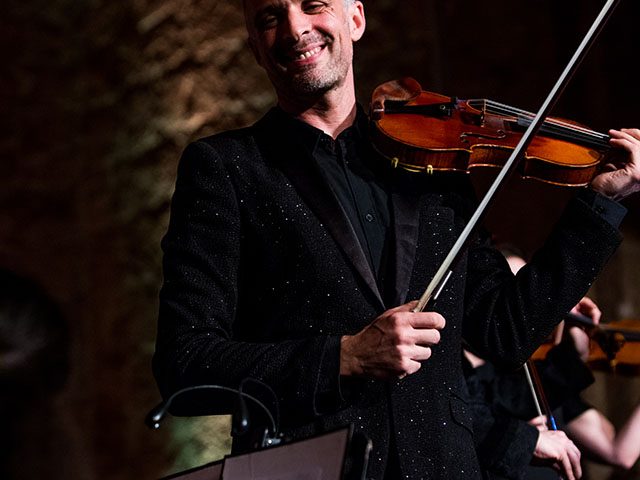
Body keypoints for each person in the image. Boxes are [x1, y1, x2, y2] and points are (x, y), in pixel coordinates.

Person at [152, 1, 640, 478]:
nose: (295, 28)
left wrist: (601, 204)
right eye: (270, 17)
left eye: (313, 5)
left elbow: (505, 330)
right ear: (255, 47)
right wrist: (344, 356)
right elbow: (184, 363)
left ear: (355, 18)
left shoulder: (433, 161)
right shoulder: (226, 168)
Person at [464, 252, 640, 479]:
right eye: (511, 295)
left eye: (527, 294)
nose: (523, 309)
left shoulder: (544, 382)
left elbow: (619, 453)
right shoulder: (467, 377)